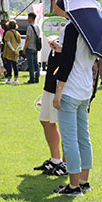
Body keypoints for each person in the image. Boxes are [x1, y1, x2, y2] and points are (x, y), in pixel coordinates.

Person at [50, 0, 96, 197]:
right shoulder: (91, 28)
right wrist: (62, 48)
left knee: (70, 140)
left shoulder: (71, 27)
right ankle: (84, 181)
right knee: (83, 137)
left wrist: (58, 91)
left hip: (71, 88)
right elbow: (79, 54)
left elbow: (67, 61)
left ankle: (74, 185)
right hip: (85, 87)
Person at [33, 36, 68, 177]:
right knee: (45, 120)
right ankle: (55, 160)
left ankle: (66, 164)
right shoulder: (68, 26)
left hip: (62, 85)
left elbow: (75, 55)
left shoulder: (77, 26)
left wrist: (61, 49)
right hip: (51, 83)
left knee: (67, 125)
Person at [2, 20, 22, 84]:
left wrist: (12, 49)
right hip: (16, 52)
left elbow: (7, 42)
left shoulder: (8, 33)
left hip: (9, 51)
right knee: (15, 64)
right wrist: (17, 50)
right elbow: (19, 43)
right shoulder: (17, 33)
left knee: (9, 65)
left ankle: (9, 78)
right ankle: (15, 79)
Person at [24, 12, 41, 84]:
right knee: (36, 64)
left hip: (30, 47)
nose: (27, 19)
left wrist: (24, 48)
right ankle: (37, 78)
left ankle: (31, 79)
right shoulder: (37, 26)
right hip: (35, 48)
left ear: (31, 18)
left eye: (28, 17)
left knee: (31, 64)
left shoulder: (29, 27)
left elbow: (28, 38)